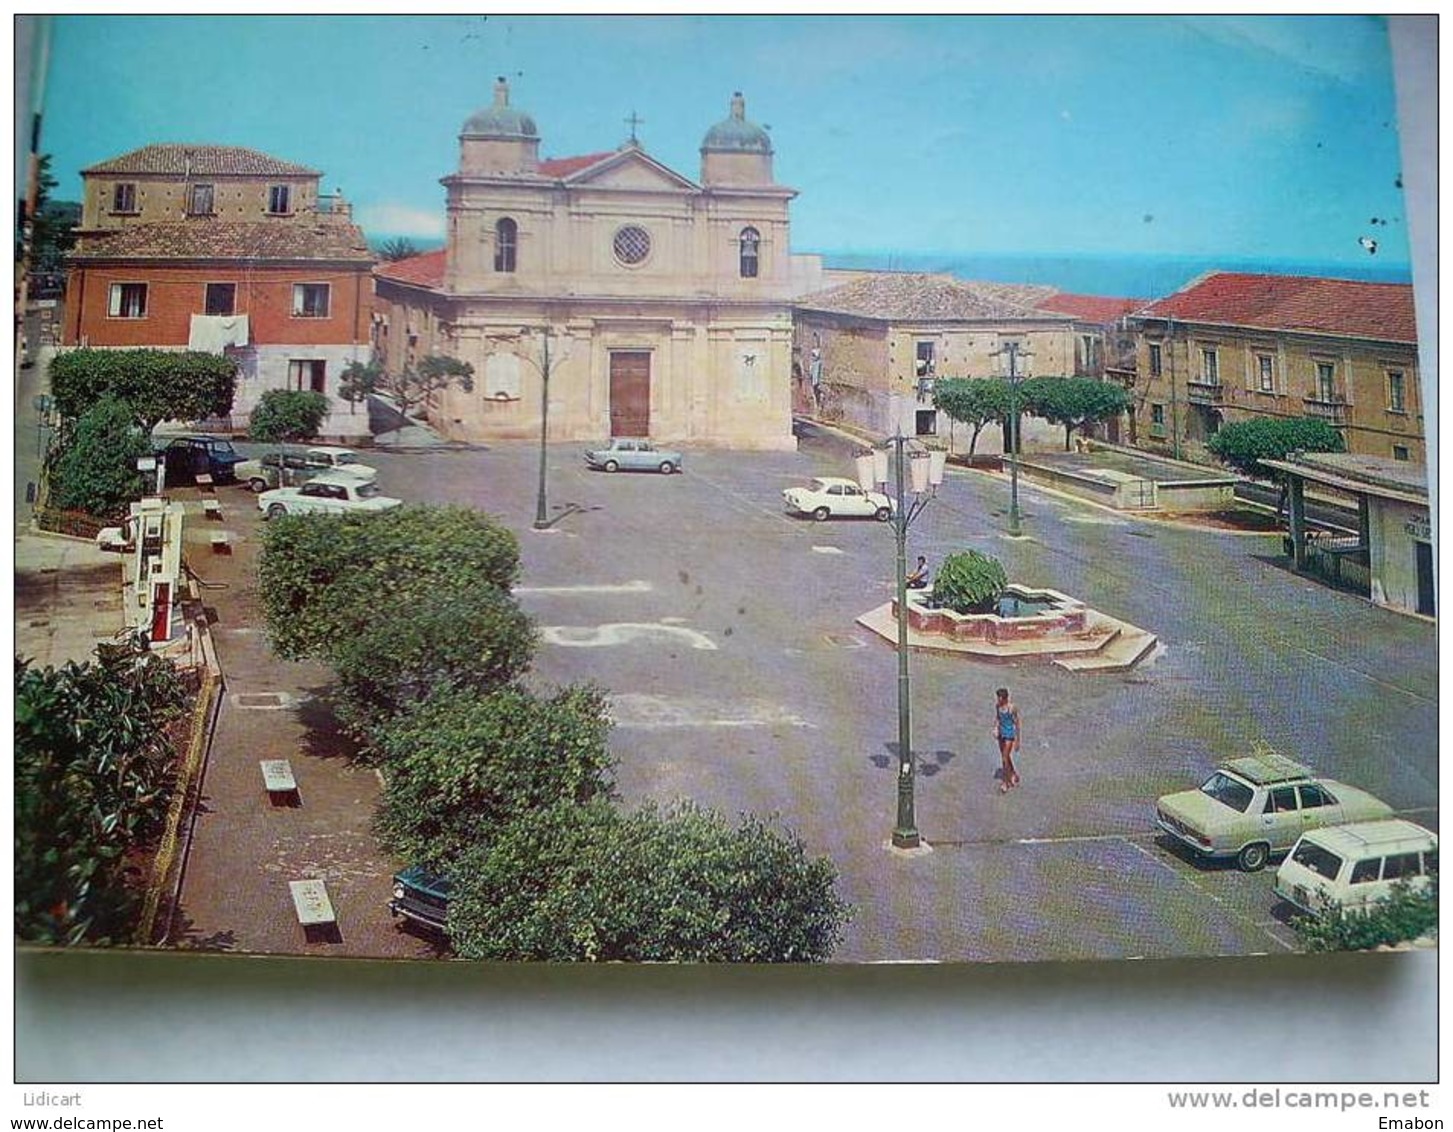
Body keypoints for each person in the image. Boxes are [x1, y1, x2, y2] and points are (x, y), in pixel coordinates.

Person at [993, 687, 1021, 792]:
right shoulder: (998, 706)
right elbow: (997, 718)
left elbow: (1017, 724)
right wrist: (995, 728)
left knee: (1004, 758)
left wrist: (1018, 740)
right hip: (1001, 733)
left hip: (1009, 734)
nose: (998, 700)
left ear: (1005, 698)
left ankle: (1005, 782)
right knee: (1005, 756)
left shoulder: (1012, 708)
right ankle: (1013, 774)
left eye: (999, 698)